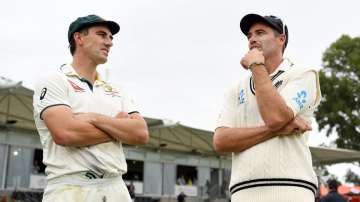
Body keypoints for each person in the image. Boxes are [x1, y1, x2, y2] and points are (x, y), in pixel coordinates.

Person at [33, 14, 149, 202]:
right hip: (70, 189)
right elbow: (66, 134)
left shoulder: (117, 90)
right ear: (78, 38)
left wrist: (94, 118)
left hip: (117, 188)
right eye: (102, 35)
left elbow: (141, 134)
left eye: (111, 37)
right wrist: (119, 127)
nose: (109, 42)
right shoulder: (55, 80)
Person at [213, 13, 322, 202]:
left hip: (291, 189)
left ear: (281, 39)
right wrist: (278, 129)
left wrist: (256, 64)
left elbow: (275, 117)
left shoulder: (303, 74)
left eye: (260, 33)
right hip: (242, 193)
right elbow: (221, 141)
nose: (252, 39)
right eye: (249, 35)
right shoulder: (235, 88)